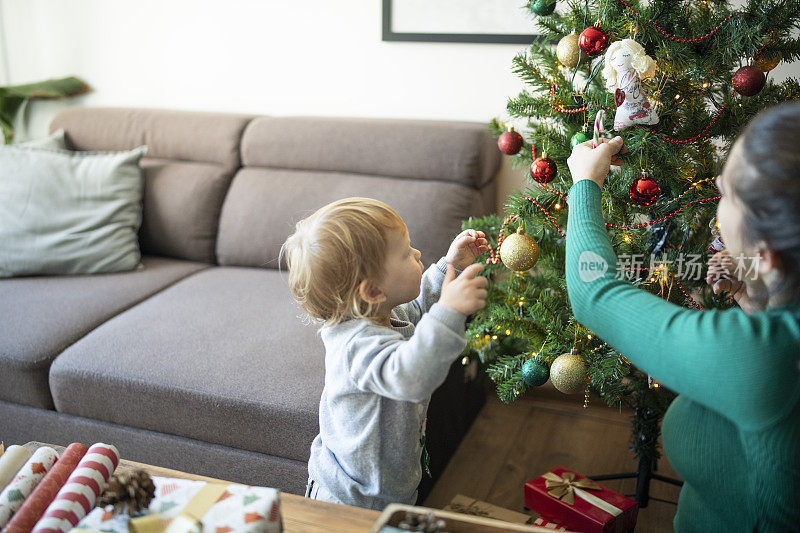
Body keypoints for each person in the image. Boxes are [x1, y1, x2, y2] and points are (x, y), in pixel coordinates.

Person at [564, 102, 800, 531]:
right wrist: (761, 307)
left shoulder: (763, 357)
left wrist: (585, 183)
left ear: (765, 255)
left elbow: (593, 290)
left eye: (726, 191)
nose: (714, 185)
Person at [280, 197, 488, 510]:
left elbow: (418, 309)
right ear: (373, 291)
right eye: (406, 253)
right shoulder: (356, 346)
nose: (417, 253)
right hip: (351, 502)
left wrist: (450, 266)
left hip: (390, 487)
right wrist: (448, 311)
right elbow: (410, 375)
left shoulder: (384, 312)